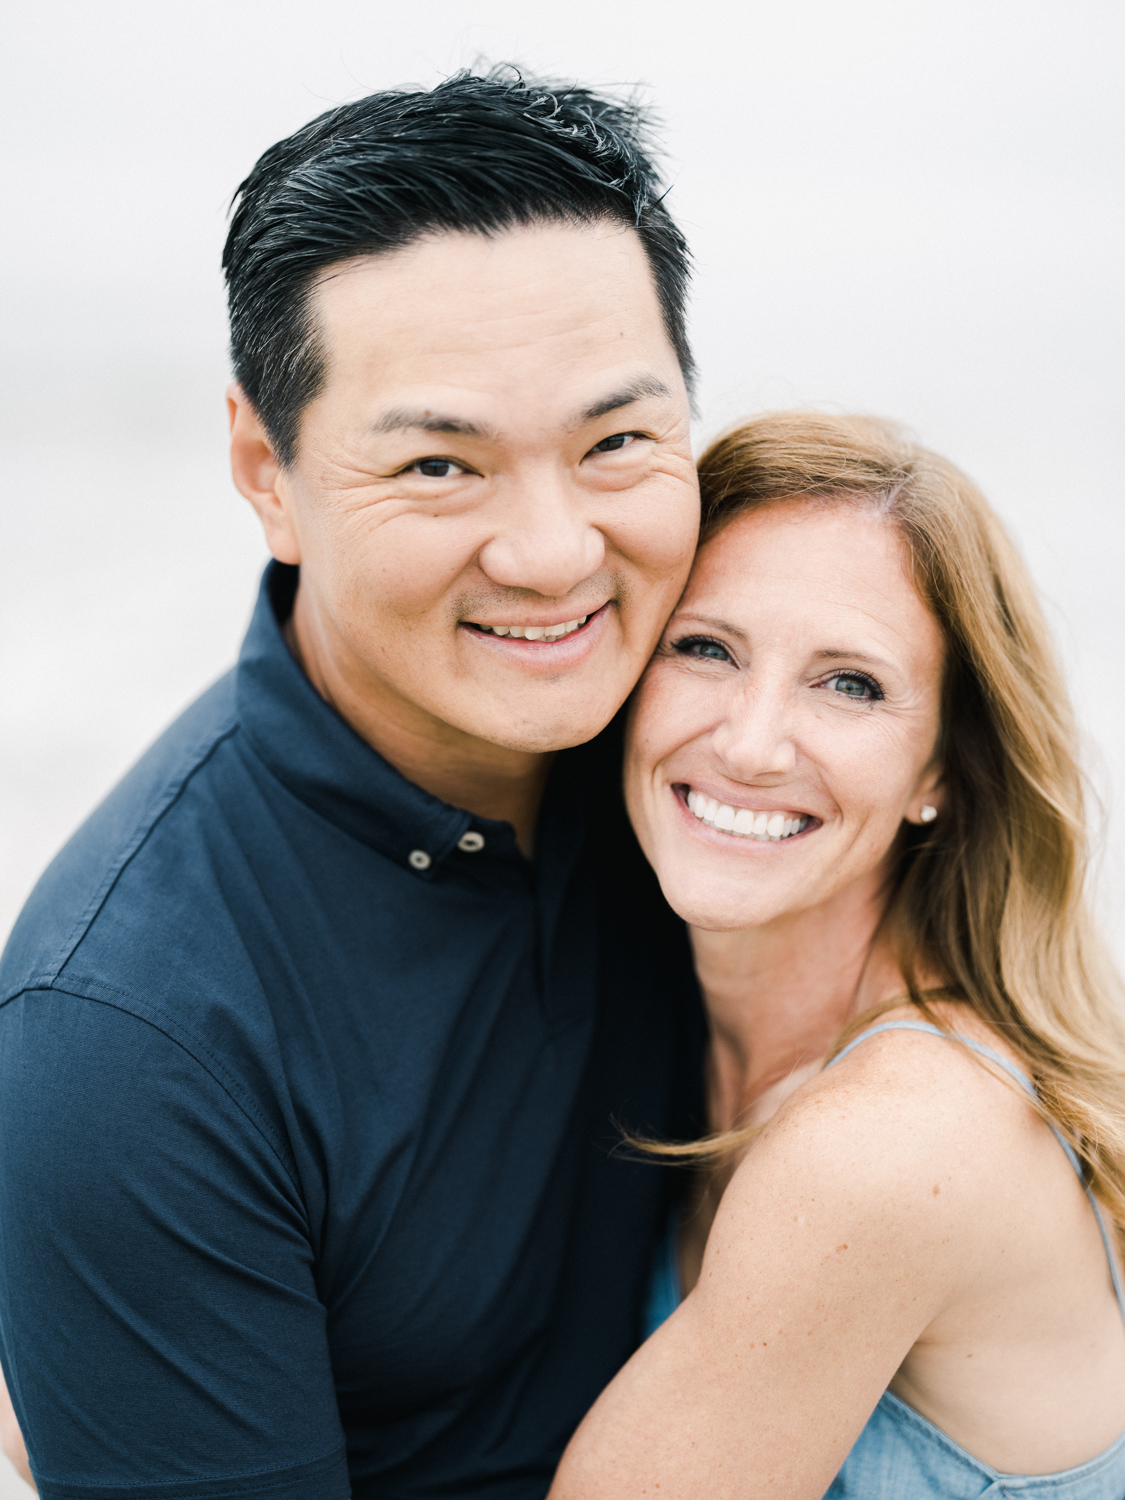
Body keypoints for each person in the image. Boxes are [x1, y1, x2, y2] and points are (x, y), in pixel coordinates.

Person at [0, 71, 704, 1499]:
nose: (557, 553)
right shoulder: (125, 1045)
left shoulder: (741, 759)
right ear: (267, 468)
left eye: (616, 441)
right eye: (442, 464)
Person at [550, 412, 1125, 1498]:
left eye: (849, 684)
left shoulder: (887, 1144)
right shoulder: (666, 1028)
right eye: (705, 648)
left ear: (940, 773)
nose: (752, 743)